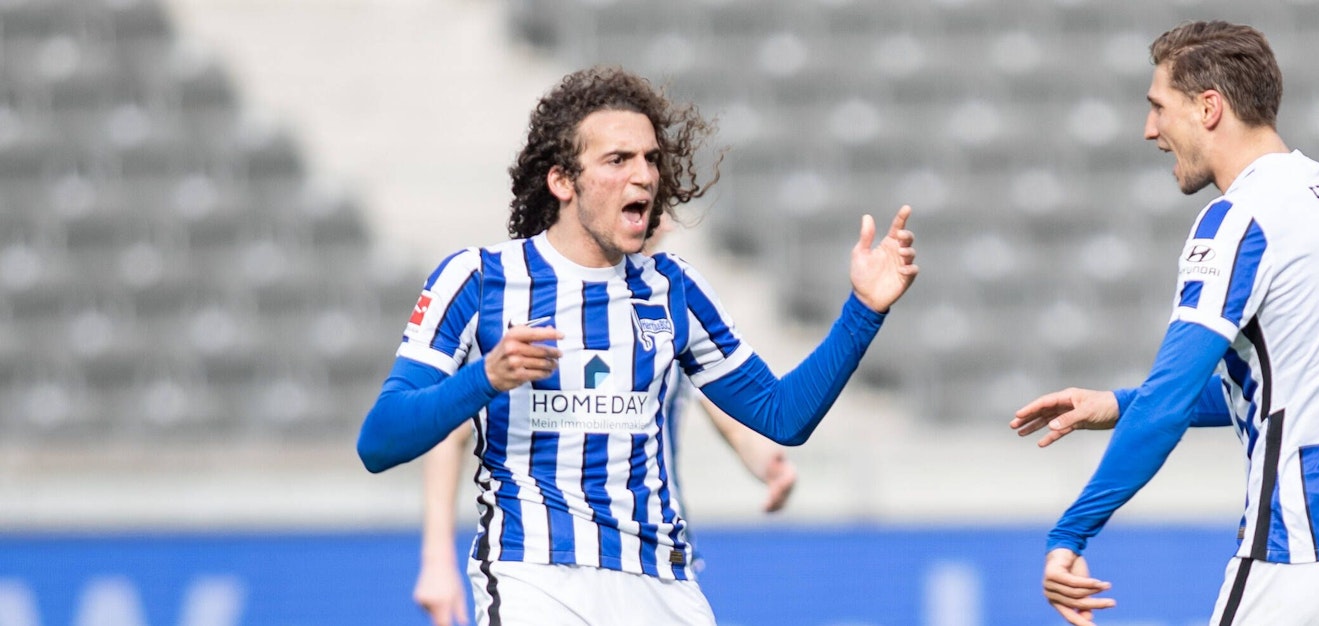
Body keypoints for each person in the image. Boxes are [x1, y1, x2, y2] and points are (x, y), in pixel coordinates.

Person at [355, 65, 918, 625]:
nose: (644, 176)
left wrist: (864, 311)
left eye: (650, 158)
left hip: (660, 583)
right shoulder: (477, 279)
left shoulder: (673, 288)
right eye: (618, 160)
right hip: (535, 578)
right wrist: (485, 378)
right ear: (562, 181)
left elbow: (781, 415)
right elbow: (379, 442)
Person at [1010, 21, 1319, 626]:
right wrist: (1118, 401)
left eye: (1159, 106)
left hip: (1309, 544)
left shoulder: (1240, 218)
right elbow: (1292, 384)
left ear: (1208, 107)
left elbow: (1168, 400)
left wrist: (1070, 533)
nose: (1151, 130)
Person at [410, 224, 800, 626]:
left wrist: (768, 463)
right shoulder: (523, 298)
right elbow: (453, 428)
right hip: (546, 559)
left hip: (653, 554)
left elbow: (730, 412)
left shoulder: (667, 304)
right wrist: (437, 559)